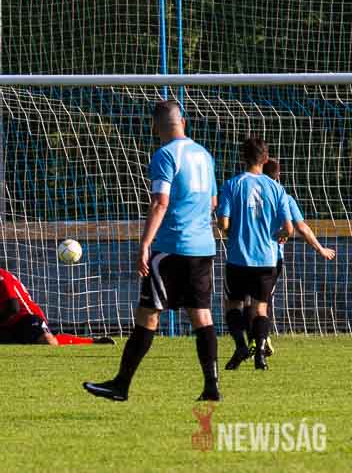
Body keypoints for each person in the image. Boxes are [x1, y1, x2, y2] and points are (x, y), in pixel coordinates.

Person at [84, 100, 221, 402]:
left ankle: (120, 385)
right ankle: (212, 387)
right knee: (202, 315)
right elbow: (213, 202)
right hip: (203, 246)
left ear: (154, 127)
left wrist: (145, 243)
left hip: (172, 247)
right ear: (183, 122)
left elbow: (161, 202)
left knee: (147, 314)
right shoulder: (204, 155)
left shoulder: (165, 155)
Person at [238, 158, 335, 357]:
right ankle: (261, 340)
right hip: (271, 259)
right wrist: (320, 249)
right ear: (278, 176)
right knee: (262, 302)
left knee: (247, 301)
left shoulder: (244, 192)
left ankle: (256, 340)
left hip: (246, 255)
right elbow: (301, 227)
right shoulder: (283, 196)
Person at [217, 139, 293, 371]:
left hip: (238, 257)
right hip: (267, 258)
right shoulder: (276, 188)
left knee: (233, 305)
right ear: (265, 159)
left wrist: (235, 232)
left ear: (243, 157)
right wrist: (278, 235)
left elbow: (223, 223)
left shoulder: (231, 184)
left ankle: (241, 346)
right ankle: (260, 354)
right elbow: (289, 228)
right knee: (261, 308)